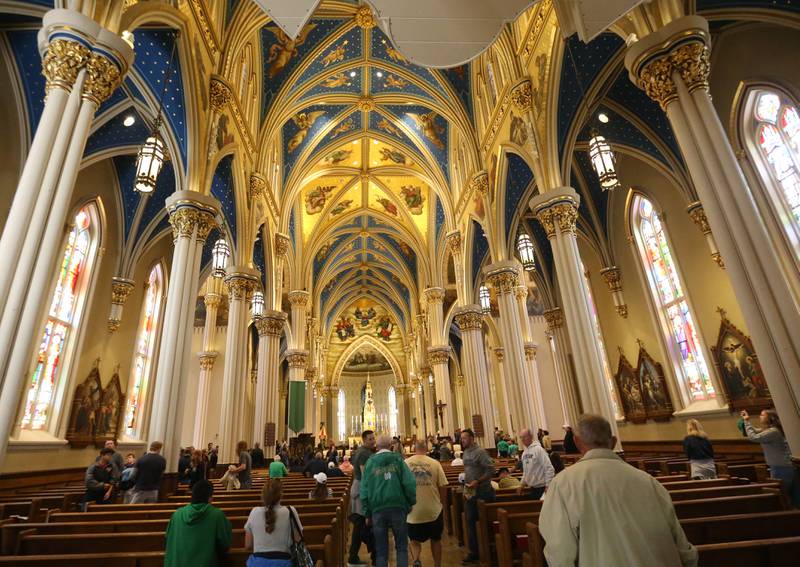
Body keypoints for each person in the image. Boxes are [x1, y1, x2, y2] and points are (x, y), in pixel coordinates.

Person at [539, 414, 697, 567]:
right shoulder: (649, 482)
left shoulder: (563, 484)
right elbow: (683, 550)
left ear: (576, 442)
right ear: (614, 442)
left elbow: (560, 553)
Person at [360, 435, 417, 567]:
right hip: (398, 506)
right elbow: (409, 483)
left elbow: (364, 490)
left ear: (377, 447)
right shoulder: (398, 460)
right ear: (390, 446)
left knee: (381, 550)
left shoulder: (370, 463)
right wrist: (410, 502)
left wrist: (367, 512)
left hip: (377, 509)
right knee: (402, 547)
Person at [164, 480, 232, 567]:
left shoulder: (177, 514)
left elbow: (167, 539)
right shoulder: (216, 515)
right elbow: (225, 544)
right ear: (210, 497)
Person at [742, 409, 800, 507]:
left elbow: (754, 437)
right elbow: (755, 431)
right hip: (780, 467)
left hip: (782, 468)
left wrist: (747, 422)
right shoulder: (770, 430)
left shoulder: (773, 431)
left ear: (770, 418)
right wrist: (746, 421)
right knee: (789, 496)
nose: (760, 416)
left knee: (782, 495)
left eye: (762, 415)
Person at [405, 440, 448, 567]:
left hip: (413, 510)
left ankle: (416, 559)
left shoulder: (405, 464)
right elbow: (443, 485)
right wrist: (442, 503)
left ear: (414, 448)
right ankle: (437, 565)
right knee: (436, 540)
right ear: (427, 448)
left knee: (413, 540)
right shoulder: (435, 463)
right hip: (433, 510)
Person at [245, 479, 303, 567]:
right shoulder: (290, 511)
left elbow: (248, 545)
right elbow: (298, 540)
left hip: (257, 563)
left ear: (263, 495)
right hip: (283, 563)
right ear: (281, 495)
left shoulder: (254, 512)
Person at [461, 428, 495, 565]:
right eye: (461, 438)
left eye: (464, 438)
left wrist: (478, 481)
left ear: (472, 438)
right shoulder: (465, 452)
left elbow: (491, 469)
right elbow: (469, 470)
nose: (462, 440)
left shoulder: (480, 452)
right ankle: (474, 551)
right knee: (470, 522)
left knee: (485, 521)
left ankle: (488, 549)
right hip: (471, 493)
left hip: (483, 492)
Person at [348, 430, 376, 567]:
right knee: (360, 525)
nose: (373, 441)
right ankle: (353, 558)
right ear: (364, 440)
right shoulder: (364, 453)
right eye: (370, 439)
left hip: (358, 488)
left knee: (359, 526)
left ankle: (353, 557)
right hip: (361, 490)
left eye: (373, 438)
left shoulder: (363, 451)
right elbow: (366, 475)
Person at [517, 428, 554, 500]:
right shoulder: (524, 453)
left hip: (542, 487)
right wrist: (521, 485)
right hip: (533, 488)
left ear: (531, 436)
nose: (523, 439)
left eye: (525, 437)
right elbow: (526, 472)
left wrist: (548, 485)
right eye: (521, 437)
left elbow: (549, 468)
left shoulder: (538, 450)